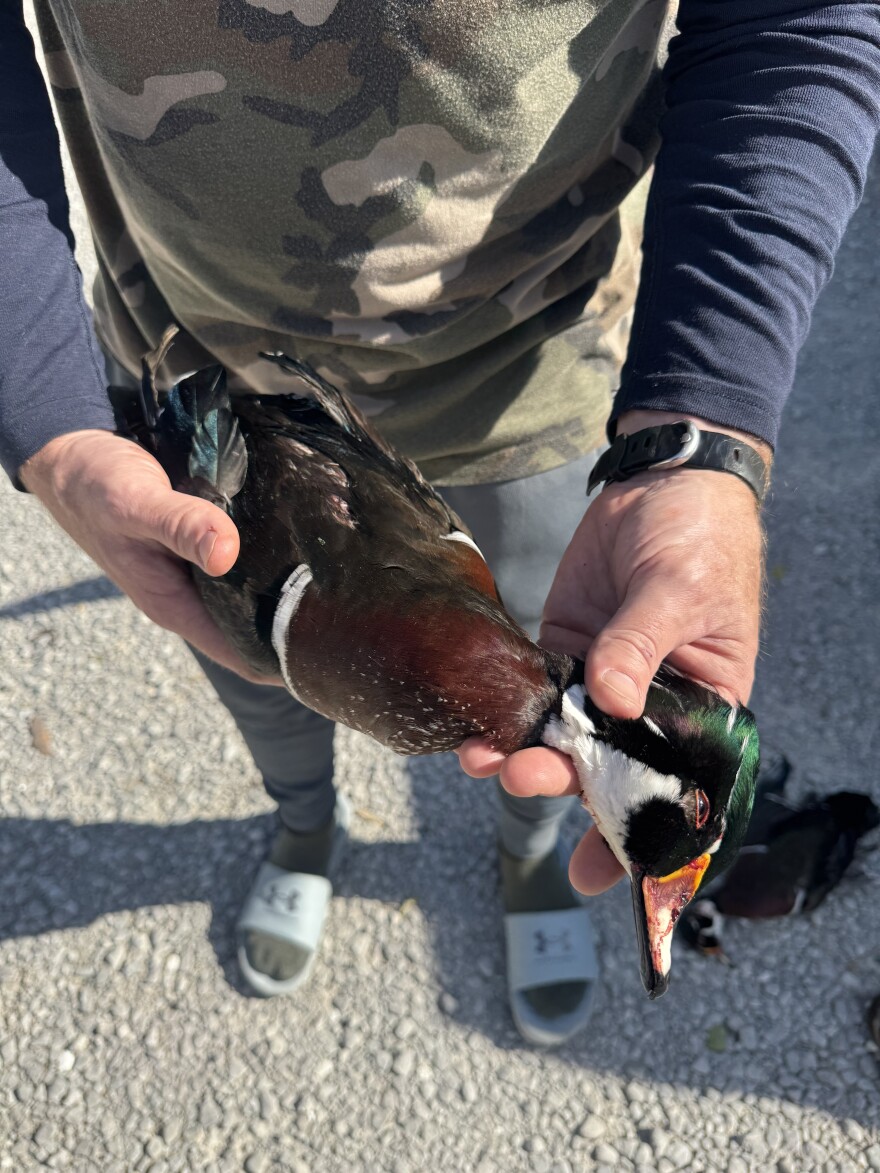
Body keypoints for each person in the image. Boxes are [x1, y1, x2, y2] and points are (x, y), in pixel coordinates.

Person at [2, 1, 878, 1044]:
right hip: (198, 347)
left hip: (535, 377)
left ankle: (529, 850)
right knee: (252, 659)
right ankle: (303, 820)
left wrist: (701, 435)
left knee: (547, 678)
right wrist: (43, 412)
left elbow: (797, 18)